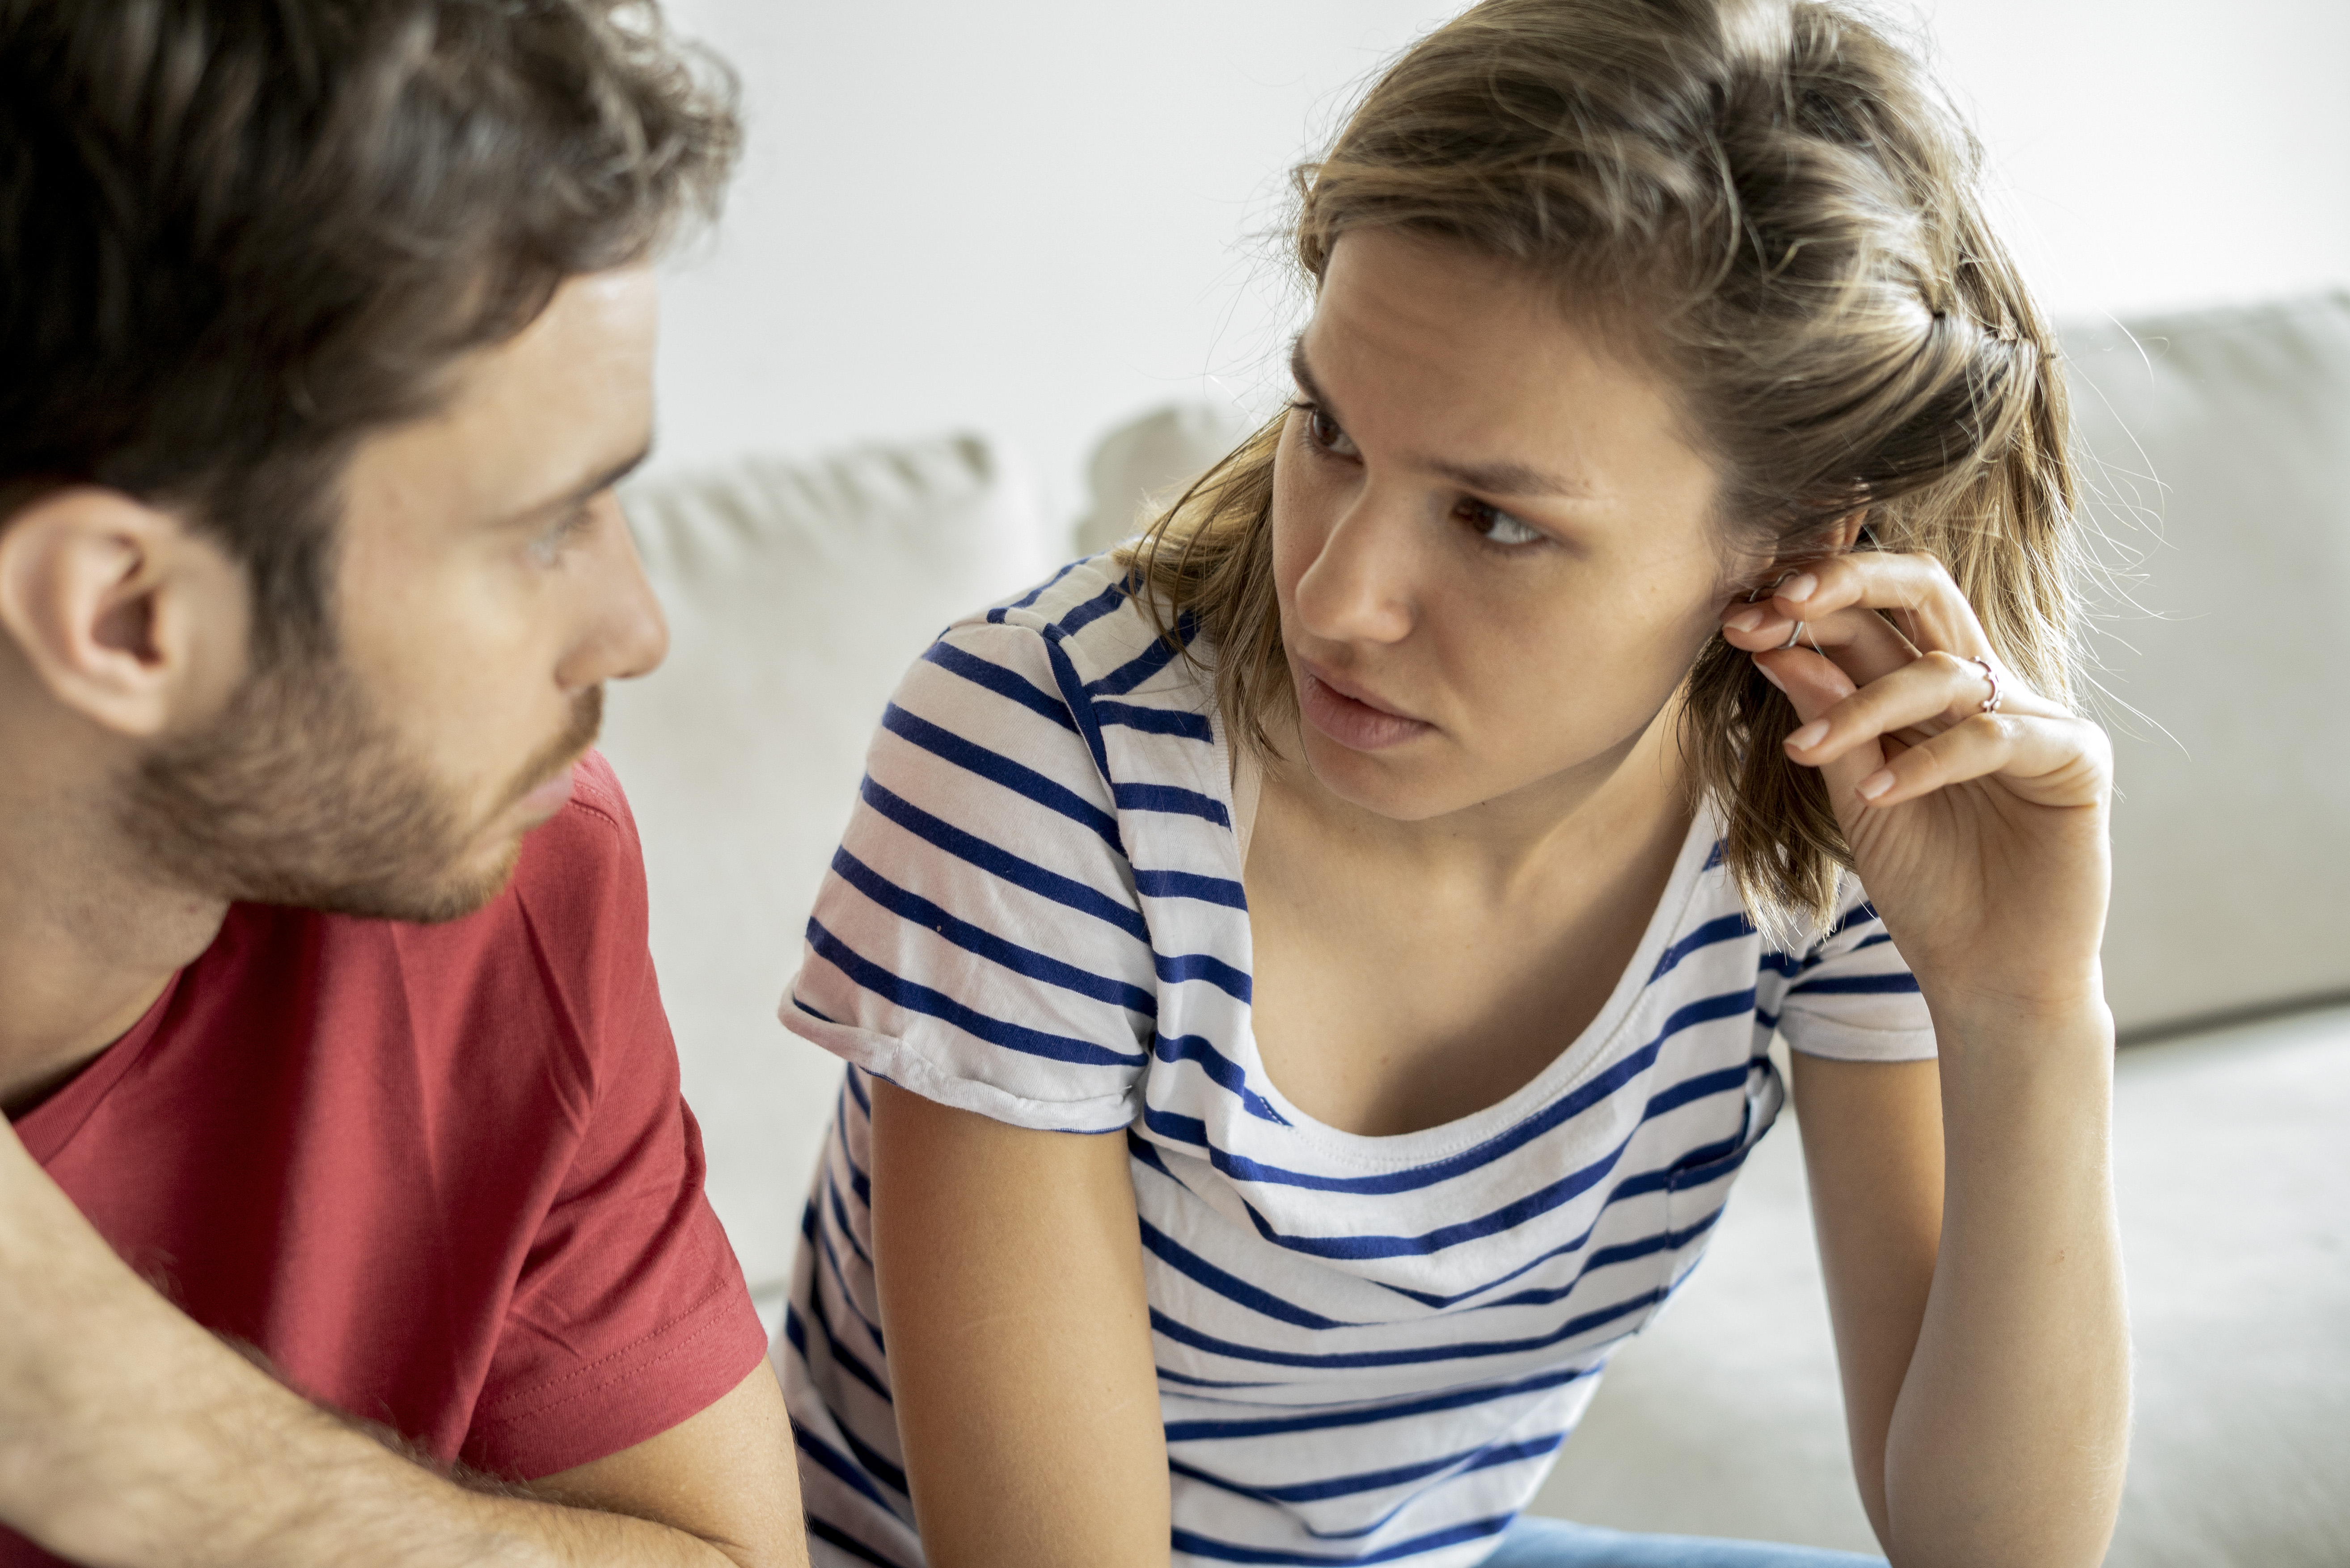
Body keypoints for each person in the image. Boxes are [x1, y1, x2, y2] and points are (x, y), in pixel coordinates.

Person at [775, 0, 2131, 1565]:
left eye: (1493, 519)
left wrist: (2028, 1003)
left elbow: (1997, 1549)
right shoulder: (1042, 756)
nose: (1340, 597)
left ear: (1797, 550)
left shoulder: (1845, 805)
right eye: (1331, 431)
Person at [0, 2, 809, 1564]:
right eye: (545, 526)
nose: (636, 632)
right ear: (126, 616)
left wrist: (113, 1417)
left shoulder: (513, 880)